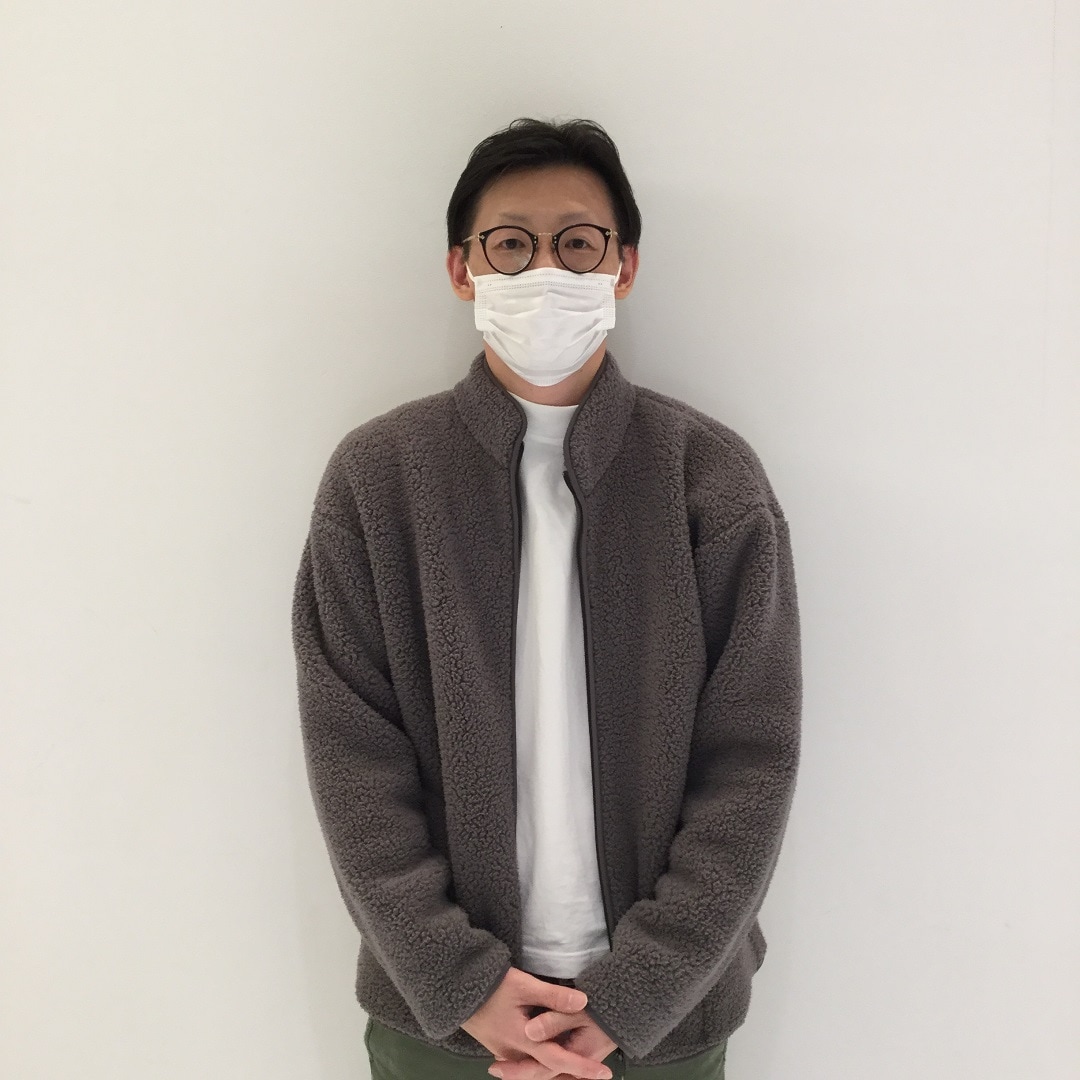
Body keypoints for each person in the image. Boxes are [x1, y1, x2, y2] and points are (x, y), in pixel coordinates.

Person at [292, 118, 802, 1080]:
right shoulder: (378, 480)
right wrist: (461, 984)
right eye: (510, 244)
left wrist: (636, 993)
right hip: (442, 1024)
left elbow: (752, 759)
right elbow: (352, 756)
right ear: (461, 269)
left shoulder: (709, 479)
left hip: (664, 1021)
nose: (544, 269)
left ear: (624, 267)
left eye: (577, 243)